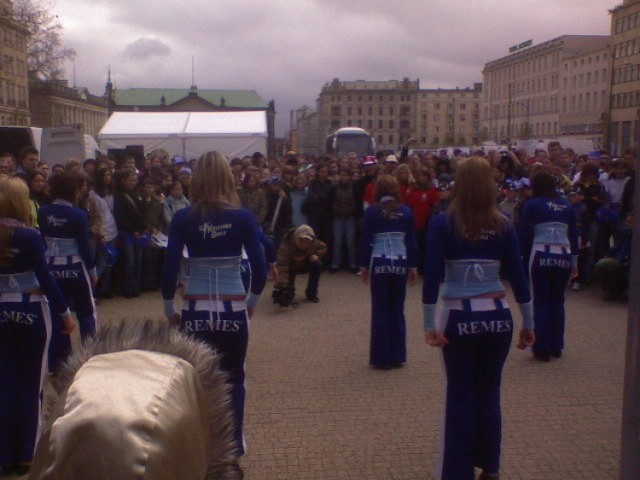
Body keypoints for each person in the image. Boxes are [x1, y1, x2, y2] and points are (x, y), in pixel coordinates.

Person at [423, 157, 534, 480]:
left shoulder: (442, 223)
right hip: (498, 317)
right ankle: (491, 466)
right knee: (489, 394)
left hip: (458, 315)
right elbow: (519, 277)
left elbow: (432, 277)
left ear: (457, 183)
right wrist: (528, 323)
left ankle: (458, 471)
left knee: (459, 397)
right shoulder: (503, 225)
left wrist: (429, 324)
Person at [162, 151, 267, 472]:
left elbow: (169, 268)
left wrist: (169, 307)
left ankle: (201, 454)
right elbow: (260, 269)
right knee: (234, 380)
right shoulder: (242, 217)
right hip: (233, 308)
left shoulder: (183, 218)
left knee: (196, 385)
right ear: (227, 177)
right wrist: (250, 303)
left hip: (195, 310)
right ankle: (230, 457)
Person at [0, 177, 73, 477]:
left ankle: (3, 453)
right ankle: (26, 453)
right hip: (31, 310)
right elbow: (46, 277)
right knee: (32, 385)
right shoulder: (30, 236)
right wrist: (65, 312)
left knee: (4, 383)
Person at [37, 172, 98, 374]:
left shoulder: (43, 212)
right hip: (76, 268)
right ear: (74, 191)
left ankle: (60, 363)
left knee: (57, 314)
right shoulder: (79, 215)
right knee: (87, 312)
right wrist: (92, 270)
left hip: (52, 268)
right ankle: (90, 357)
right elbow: (84, 246)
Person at [519, 171, 578, 361]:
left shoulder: (532, 205)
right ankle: (556, 345)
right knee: (558, 301)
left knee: (541, 301)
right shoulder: (566, 205)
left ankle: (541, 347)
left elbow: (525, 235)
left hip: (540, 254)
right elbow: (574, 235)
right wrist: (574, 262)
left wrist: (521, 257)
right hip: (563, 255)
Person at [360, 176, 417, 370]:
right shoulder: (406, 212)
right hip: (400, 263)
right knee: (397, 309)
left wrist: (363, 266)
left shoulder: (372, 212)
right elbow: (411, 242)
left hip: (379, 262)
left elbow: (365, 240)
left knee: (380, 310)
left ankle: (381, 357)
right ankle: (397, 355)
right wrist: (413, 267)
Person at [272, 225, 326, 305]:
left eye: (307, 242)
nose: (304, 244)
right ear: (296, 238)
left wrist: (317, 255)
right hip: (291, 267)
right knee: (287, 292)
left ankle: (311, 294)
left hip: (305, 264)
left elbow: (324, 247)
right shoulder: (286, 246)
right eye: (301, 241)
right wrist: (283, 285)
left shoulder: (314, 243)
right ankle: (289, 291)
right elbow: (282, 266)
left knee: (317, 264)